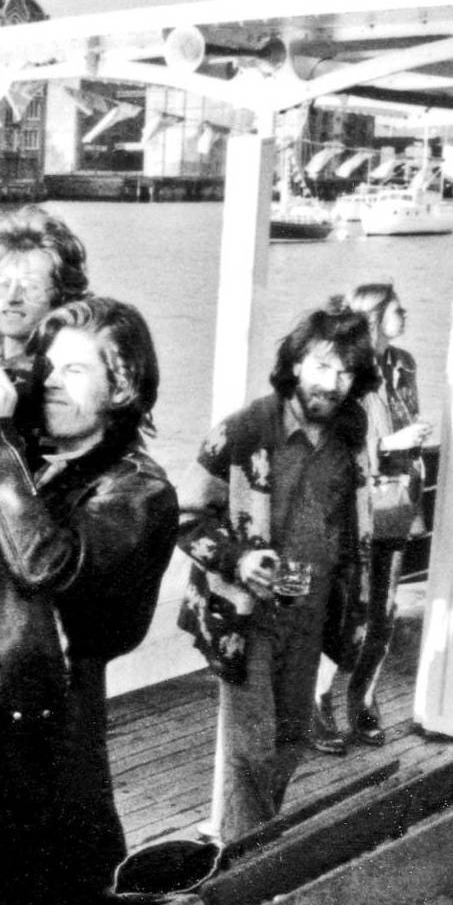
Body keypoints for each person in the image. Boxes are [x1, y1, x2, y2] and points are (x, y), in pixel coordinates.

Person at [0, 296, 178, 905]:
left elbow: (45, 563)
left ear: (125, 388)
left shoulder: (137, 491)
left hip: (45, 745)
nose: (52, 380)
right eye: (49, 366)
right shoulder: (29, 467)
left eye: (78, 371)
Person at [178, 302, 375, 845]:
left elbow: (352, 531)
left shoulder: (349, 442)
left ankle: (241, 840)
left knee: (290, 740)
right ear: (294, 364)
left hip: (309, 618)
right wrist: (239, 560)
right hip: (246, 616)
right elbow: (185, 517)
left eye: (345, 372)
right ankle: (247, 863)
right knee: (252, 745)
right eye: (320, 366)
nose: (331, 383)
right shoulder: (240, 432)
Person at [315, 284, 431, 751]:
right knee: (342, 612)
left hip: (396, 503)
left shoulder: (403, 364)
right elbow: (330, 437)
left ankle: (362, 702)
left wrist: (408, 444)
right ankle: (317, 703)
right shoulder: (344, 367)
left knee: (383, 612)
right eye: (396, 308)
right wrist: (388, 445)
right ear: (374, 315)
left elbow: (409, 420)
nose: (405, 312)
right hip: (352, 506)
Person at [0, 204, 91, 371]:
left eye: (31, 287)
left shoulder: (63, 377)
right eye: (4, 284)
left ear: (62, 295)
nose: (12, 297)